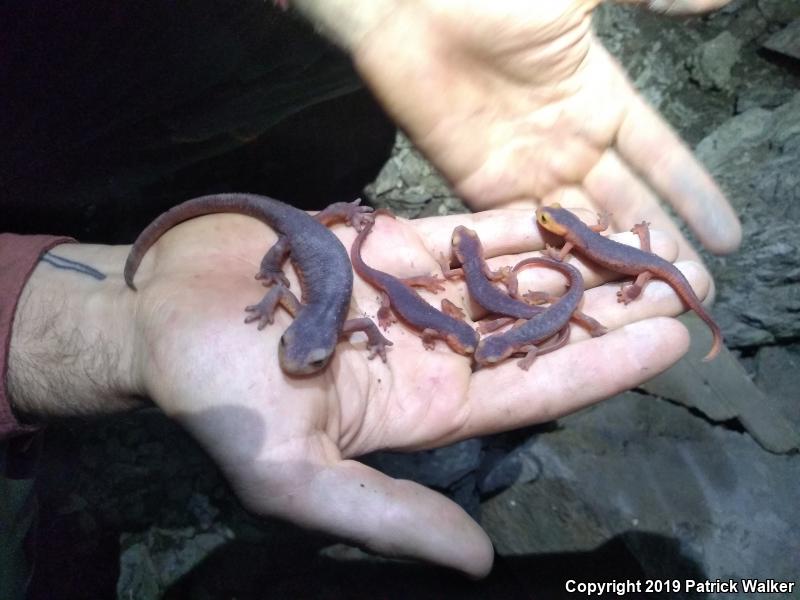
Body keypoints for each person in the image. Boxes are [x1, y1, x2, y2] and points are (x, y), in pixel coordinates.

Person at [1, 0, 740, 588]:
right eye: (302, 349)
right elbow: (319, 307)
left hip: (299, 192)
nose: (300, 354)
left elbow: (345, 314)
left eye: (302, 348)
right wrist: (256, 300)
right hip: (277, 208)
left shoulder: (337, 316)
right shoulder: (313, 315)